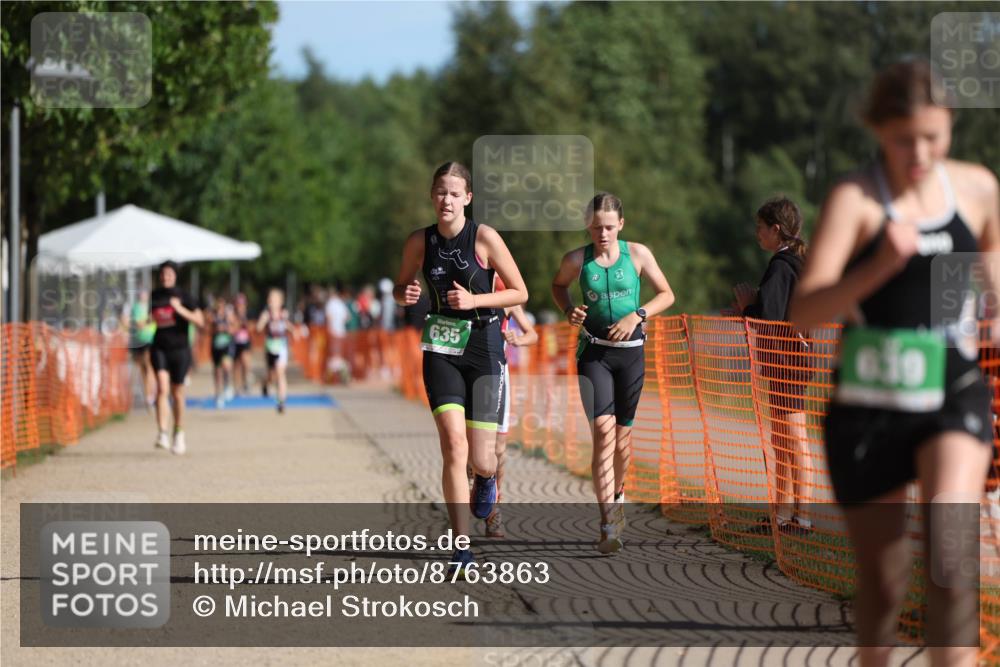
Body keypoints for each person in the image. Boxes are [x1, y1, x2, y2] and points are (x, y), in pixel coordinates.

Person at [789, 60, 997, 667]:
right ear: (878, 129)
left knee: (951, 565)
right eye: (906, 139)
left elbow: (992, 258)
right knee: (884, 586)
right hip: (869, 406)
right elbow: (804, 313)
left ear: (950, 125)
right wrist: (880, 265)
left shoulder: (977, 188)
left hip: (953, 391)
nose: (921, 153)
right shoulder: (856, 199)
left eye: (934, 136)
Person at [394, 161, 528, 576]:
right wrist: (404, 293)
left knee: (482, 458)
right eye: (440, 192)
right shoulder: (420, 241)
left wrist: (475, 301)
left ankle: (486, 478)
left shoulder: (484, 237)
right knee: (454, 446)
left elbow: (520, 292)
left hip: (484, 346)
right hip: (441, 346)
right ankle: (460, 547)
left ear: (467, 198)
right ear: (431, 196)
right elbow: (400, 286)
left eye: (454, 193)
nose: (446, 200)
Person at [552, 192, 675, 554]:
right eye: (595, 228)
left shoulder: (638, 254)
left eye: (608, 227)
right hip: (594, 354)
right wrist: (569, 310)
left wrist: (637, 315)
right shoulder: (576, 260)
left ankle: (618, 495)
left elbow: (666, 294)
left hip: (631, 356)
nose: (602, 234)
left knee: (622, 439)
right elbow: (558, 286)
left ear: (620, 224)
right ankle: (608, 521)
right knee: (603, 433)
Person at [734, 197, 813, 535]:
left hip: (788, 361)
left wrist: (747, 308)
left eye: (761, 227)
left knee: (794, 440)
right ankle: (780, 515)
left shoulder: (782, 265)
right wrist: (748, 308)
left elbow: (769, 315)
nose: (757, 233)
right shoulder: (795, 262)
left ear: (776, 229)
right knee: (783, 441)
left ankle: (802, 518)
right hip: (788, 360)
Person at [466, 275, 539, 538]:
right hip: (465, 373)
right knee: (466, 448)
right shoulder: (465, 290)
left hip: (496, 376)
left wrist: (517, 339)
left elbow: (532, 335)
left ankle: (494, 511)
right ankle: (464, 507)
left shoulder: (507, 296)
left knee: (498, 449)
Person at [149, 261, 204, 454]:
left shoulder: (184, 296)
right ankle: (162, 433)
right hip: (159, 347)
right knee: (162, 388)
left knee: (177, 392)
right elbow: (148, 319)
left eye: (169, 274)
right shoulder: (154, 296)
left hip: (180, 349)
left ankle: (179, 433)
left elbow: (199, 320)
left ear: (175, 276)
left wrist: (179, 309)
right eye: (163, 274)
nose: (166, 278)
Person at [257, 288, 295, 414]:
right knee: (271, 376)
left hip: (282, 347)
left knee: (280, 373)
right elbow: (258, 328)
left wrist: (294, 331)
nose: (273, 301)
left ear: (281, 302)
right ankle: (265, 383)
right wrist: (263, 322)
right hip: (270, 347)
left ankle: (281, 402)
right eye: (271, 299)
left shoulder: (284, 314)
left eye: (275, 299)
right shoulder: (266, 314)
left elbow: (288, 325)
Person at [128, 289, 157, 409]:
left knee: (149, 367)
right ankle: (148, 396)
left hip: (151, 340)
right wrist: (149, 319)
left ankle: (151, 395)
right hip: (140, 341)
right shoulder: (136, 308)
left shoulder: (153, 306)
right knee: (143, 369)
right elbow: (139, 324)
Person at [208, 295, 239, 408]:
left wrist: (226, 329)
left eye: (221, 305)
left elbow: (235, 328)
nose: (219, 307)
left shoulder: (229, 315)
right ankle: (218, 395)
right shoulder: (212, 316)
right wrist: (215, 329)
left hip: (227, 344)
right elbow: (207, 329)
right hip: (216, 345)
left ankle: (227, 386)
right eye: (217, 305)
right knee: (217, 371)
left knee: (226, 366)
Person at [325, 283, 351, 383]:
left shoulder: (330, 303)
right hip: (341, 332)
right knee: (339, 354)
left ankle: (333, 374)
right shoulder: (341, 303)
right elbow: (347, 317)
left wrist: (331, 327)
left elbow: (329, 317)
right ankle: (341, 374)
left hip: (334, 332)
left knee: (334, 354)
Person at [232, 293, 252, 395]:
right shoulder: (233, 314)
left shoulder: (247, 314)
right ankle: (237, 386)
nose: (240, 306)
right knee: (237, 365)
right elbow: (233, 328)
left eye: (242, 304)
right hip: (235, 342)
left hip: (245, 341)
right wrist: (239, 323)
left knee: (246, 363)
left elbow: (250, 327)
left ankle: (246, 382)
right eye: (239, 304)